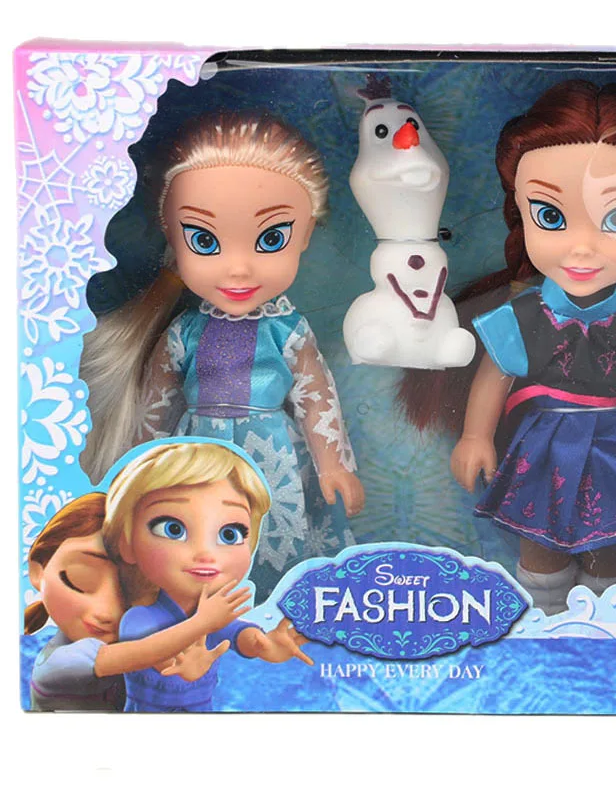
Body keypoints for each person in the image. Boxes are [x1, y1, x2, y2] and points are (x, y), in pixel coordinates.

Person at [404, 81, 616, 615]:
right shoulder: (522, 314)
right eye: (551, 216)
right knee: (539, 544)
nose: (582, 247)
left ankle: (612, 620)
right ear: (521, 211)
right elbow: (493, 377)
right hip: (543, 449)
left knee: (612, 549)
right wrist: (475, 435)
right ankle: (544, 616)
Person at [81, 113, 364, 603]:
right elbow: (155, 406)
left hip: (271, 454)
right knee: (190, 535)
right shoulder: (185, 332)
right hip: (196, 452)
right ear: (172, 237)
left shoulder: (287, 330)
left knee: (271, 533)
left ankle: (274, 606)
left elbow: (317, 398)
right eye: (204, 241)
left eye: (271, 239)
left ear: (305, 235)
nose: (237, 268)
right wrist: (137, 467)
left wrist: (332, 465)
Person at [103, 441, 313, 712]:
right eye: (172, 529)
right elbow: (149, 653)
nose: (205, 553)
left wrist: (265, 644)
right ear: (127, 543)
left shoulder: (210, 614)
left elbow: (237, 633)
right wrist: (192, 642)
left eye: (229, 534)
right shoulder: (141, 617)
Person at [25, 492, 250, 711]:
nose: (105, 612)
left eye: (129, 593)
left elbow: (158, 659)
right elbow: (141, 653)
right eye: (81, 579)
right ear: (37, 572)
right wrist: (201, 623)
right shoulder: (57, 665)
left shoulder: (139, 630)